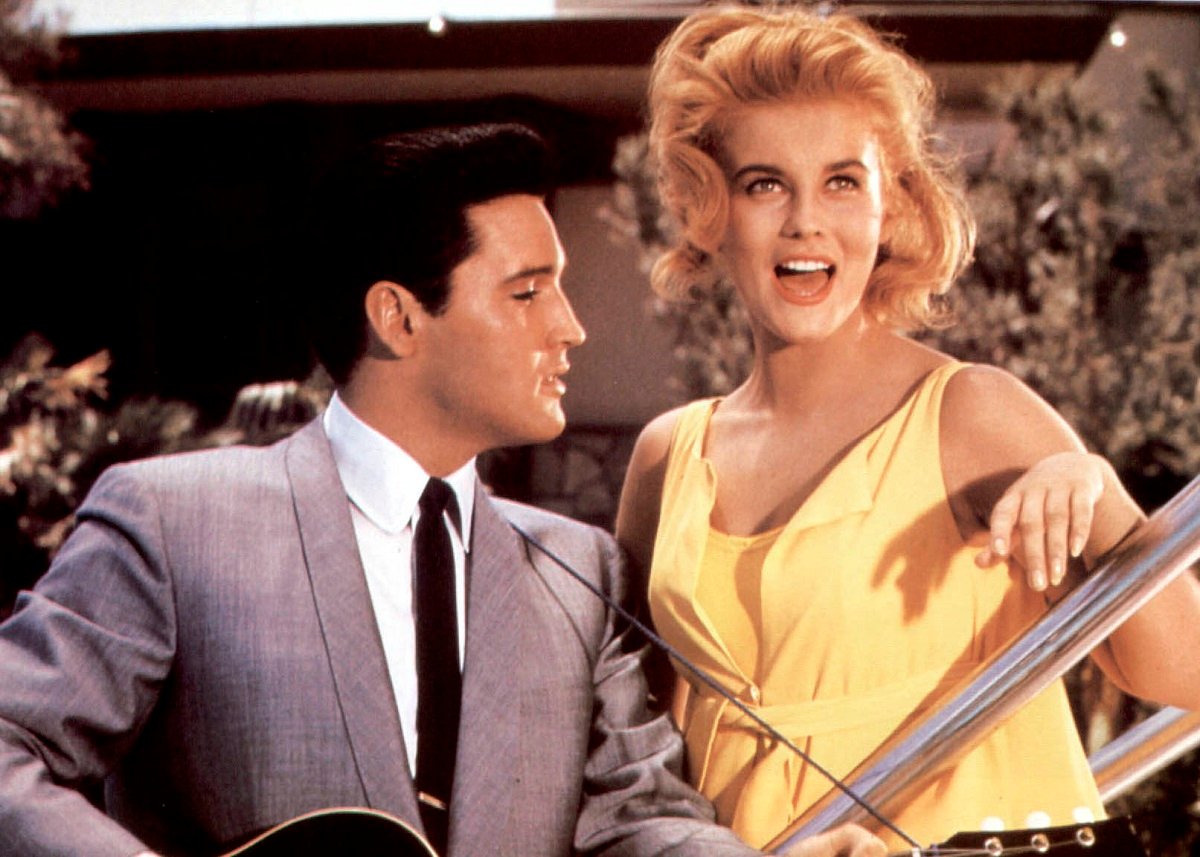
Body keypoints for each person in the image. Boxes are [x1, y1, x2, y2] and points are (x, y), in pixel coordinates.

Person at [0, 124, 884, 857]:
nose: (570, 327)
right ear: (398, 317)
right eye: (528, 292)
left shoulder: (579, 573)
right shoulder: (174, 523)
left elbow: (639, 819)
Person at [615, 6, 1200, 852]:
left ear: (891, 206)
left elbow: (1185, 670)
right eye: (765, 184)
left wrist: (1098, 494)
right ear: (710, 209)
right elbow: (629, 763)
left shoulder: (973, 416)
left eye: (843, 182)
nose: (806, 221)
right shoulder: (665, 458)